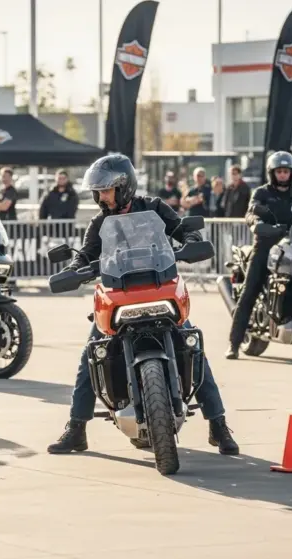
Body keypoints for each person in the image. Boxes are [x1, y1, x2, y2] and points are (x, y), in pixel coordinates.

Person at [46, 154, 239, 456]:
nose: (101, 196)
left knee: (191, 345)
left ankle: (218, 424)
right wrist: (74, 268)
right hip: (119, 293)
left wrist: (191, 240)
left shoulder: (154, 208)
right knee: (92, 353)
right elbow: (84, 254)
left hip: (159, 285)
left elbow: (181, 228)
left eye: (106, 190)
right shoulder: (99, 223)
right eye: (98, 191)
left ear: (124, 186)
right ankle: (76, 428)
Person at [225, 151, 292, 359]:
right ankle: (234, 344)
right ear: (272, 173)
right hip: (266, 247)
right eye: (279, 171)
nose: (283, 175)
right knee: (250, 291)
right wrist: (256, 223)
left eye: (286, 171)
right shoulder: (262, 193)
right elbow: (251, 212)